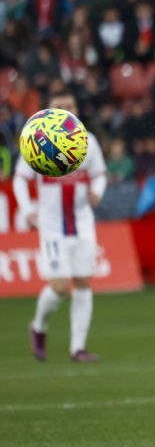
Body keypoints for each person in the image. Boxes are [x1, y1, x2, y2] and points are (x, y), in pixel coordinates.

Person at [13, 90, 108, 362]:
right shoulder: (36, 140)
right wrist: (28, 209)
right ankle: (38, 326)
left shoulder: (88, 141)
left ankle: (77, 348)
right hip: (53, 225)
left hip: (82, 222)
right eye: (60, 106)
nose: (67, 108)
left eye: (70, 104)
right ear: (49, 110)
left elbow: (99, 174)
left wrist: (98, 192)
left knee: (83, 282)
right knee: (58, 287)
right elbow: (20, 178)